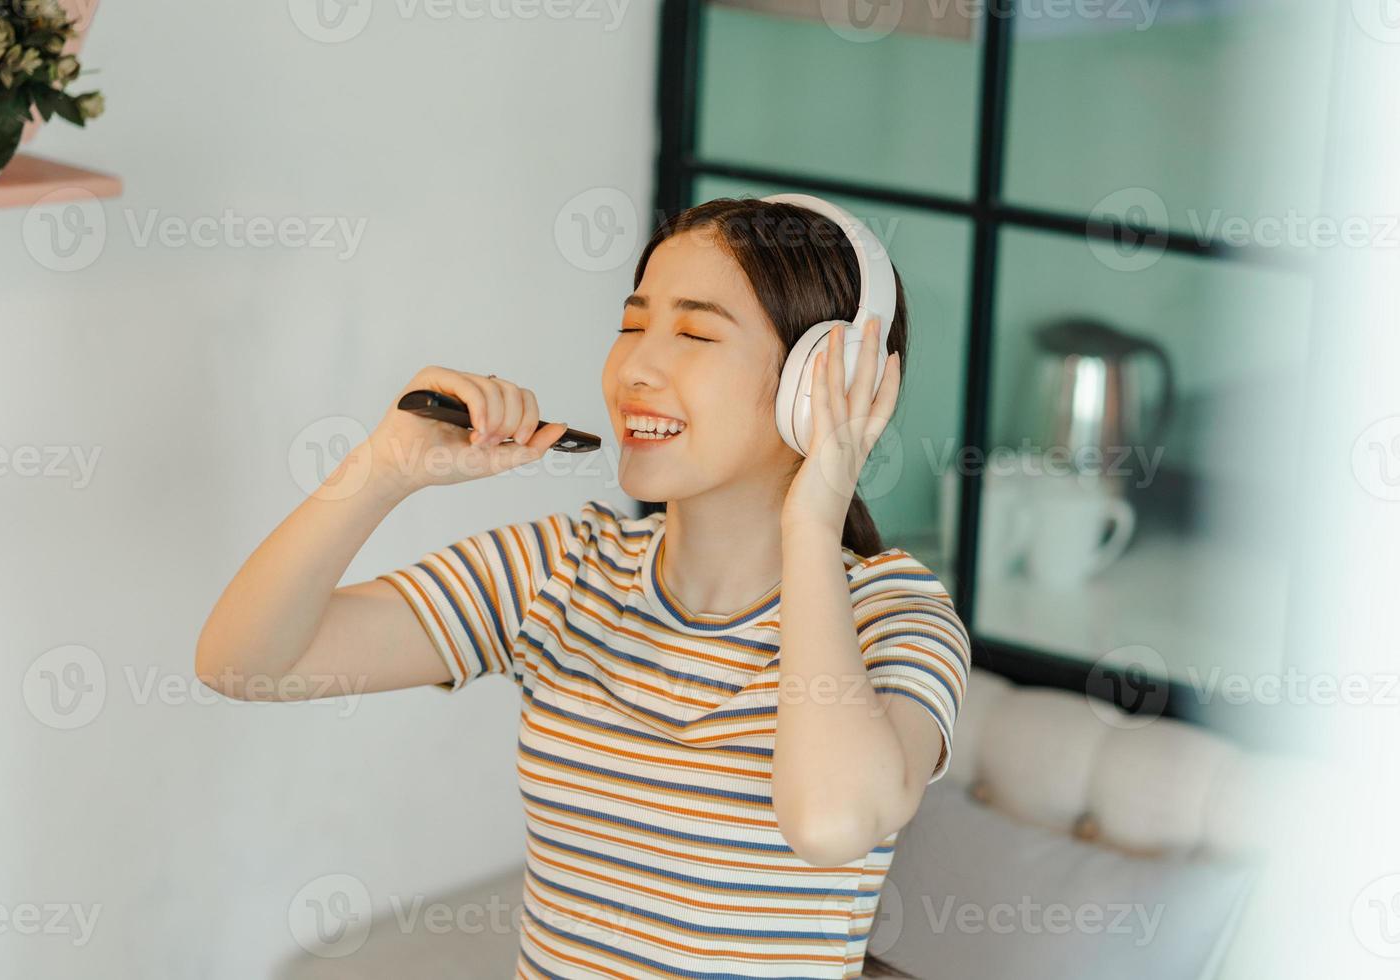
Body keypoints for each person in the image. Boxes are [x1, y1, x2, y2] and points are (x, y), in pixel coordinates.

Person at [195, 196, 970, 979]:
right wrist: (382, 472)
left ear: (821, 383)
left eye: (696, 333)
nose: (635, 367)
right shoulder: (565, 570)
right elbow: (245, 664)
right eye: (633, 325)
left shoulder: (895, 617)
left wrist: (815, 513)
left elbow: (832, 823)